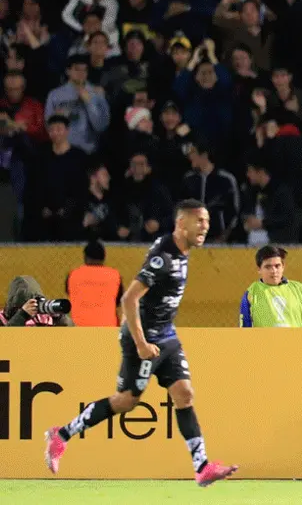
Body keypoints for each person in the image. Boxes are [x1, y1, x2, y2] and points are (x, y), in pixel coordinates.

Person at [44, 200, 238, 486]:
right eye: (200, 221)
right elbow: (128, 299)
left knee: (184, 394)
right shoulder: (164, 257)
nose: (205, 227)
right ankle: (60, 436)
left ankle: (202, 467)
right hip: (145, 339)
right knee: (126, 402)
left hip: (166, 336)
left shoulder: (181, 250)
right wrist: (141, 343)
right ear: (182, 223)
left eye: (207, 222)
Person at [239, 245, 302, 327]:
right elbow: (244, 329)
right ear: (259, 269)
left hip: (296, 344)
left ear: (283, 266)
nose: (273, 271)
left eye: (277, 266)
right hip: (266, 345)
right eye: (268, 267)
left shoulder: (299, 289)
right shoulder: (251, 293)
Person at [65, 240, 123, 327]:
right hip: (107, 327)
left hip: (79, 327)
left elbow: (70, 293)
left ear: (85, 257)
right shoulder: (114, 275)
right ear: (103, 258)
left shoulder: (73, 275)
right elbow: (118, 301)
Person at [1, 276, 73, 327]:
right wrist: (22, 315)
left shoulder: (43, 318)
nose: (33, 306)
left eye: (35, 302)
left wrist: (59, 318)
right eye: (29, 303)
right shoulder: (3, 318)